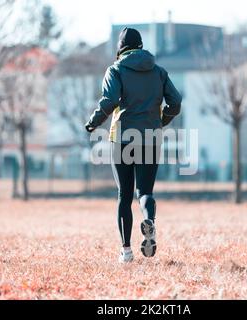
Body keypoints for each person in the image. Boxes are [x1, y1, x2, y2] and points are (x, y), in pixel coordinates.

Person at [85, 27, 182, 263]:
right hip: (150, 137)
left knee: (124, 195)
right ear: (140, 46)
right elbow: (176, 102)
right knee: (145, 192)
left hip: (123, 137)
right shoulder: (158, 71)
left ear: (121, 48)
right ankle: (150, 221)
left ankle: (126, 251)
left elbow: (109, 101)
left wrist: (92, 123)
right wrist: (161, 121)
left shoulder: (115, 70)